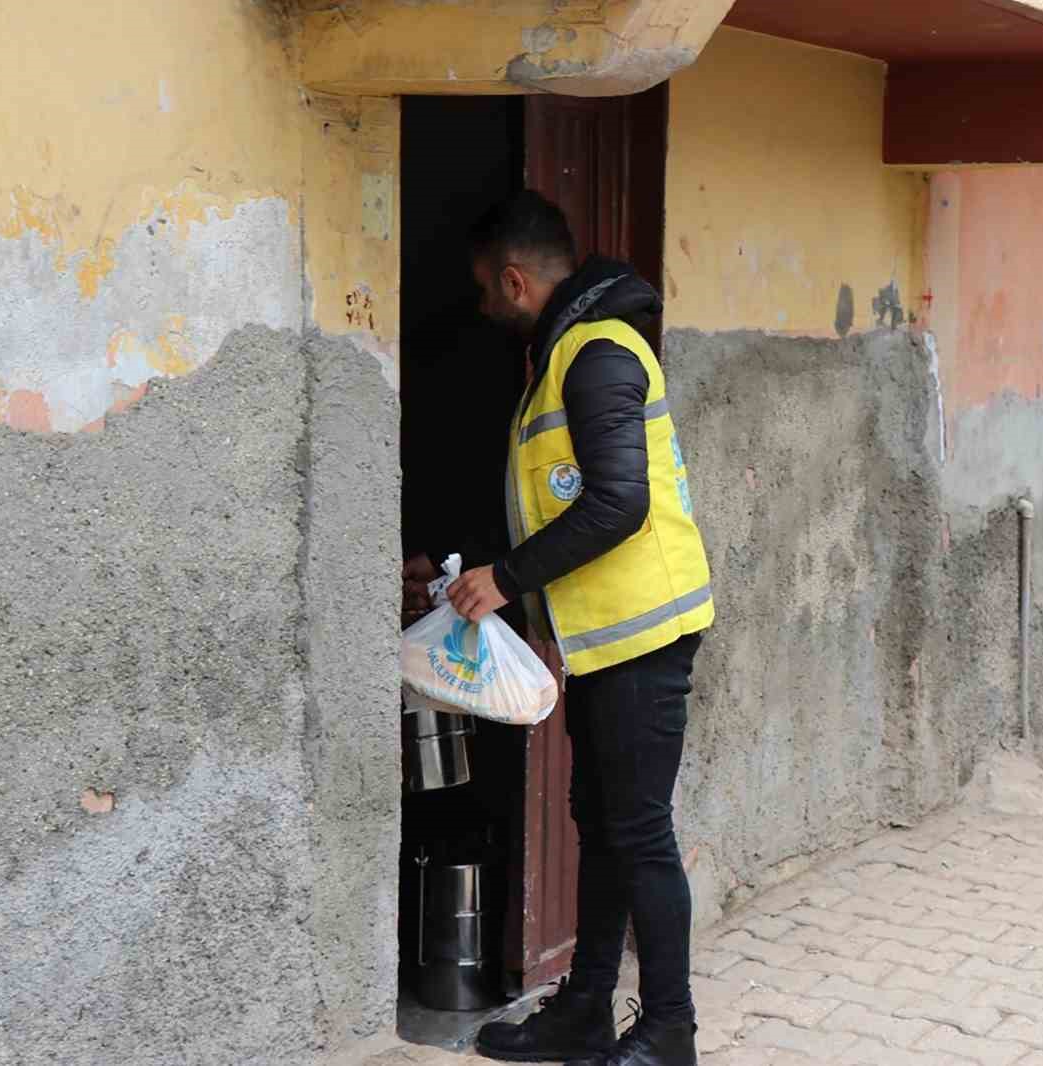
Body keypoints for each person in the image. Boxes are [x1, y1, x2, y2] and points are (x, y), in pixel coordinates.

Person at [434, 190, 715, 1066]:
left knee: (638, 834)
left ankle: (671, 1030)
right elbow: (550, 495)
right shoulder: (565, 355)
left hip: (645, 634)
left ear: (516, 279)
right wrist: (473, 563)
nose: (487, 309)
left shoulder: (594, 353)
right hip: (607, 636)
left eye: (488, 292)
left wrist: (507, 581)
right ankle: (587, 1011)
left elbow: (619, 502)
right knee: (601, 823)